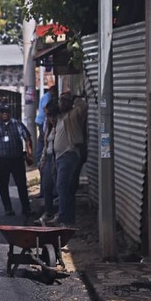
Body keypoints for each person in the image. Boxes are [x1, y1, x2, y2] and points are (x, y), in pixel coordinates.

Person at [0, 104, 34, 217]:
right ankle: (8, 208)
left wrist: (30, 154)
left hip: (17, 159)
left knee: (21, 184)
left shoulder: (18, 124)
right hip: (1, 161)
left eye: (6, 111)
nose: (4, 113)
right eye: (2, 111)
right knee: (3, 185)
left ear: (10, 112)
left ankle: (26, 208)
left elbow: (27, 138)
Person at [51, 91, 88, 226]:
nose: (62, 103)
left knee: (63, 187)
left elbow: (84, 107)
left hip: (69, 155)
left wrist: (75, 98)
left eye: (65, 101)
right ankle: (68, 219)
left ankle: (63, 216)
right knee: (67, 189)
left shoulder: (73, 115)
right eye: (60, 101)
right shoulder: (60, 117)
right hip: (59, 157)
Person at [36, 99, 60, 225]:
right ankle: (48, 212)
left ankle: (60, 214)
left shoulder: (62, 126)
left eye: (52, 115)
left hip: (59, 158)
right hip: (49, 158)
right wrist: (42, 161)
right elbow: (45, 146)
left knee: (60, 187)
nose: (51, 118)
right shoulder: (48, 128)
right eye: (48, 116)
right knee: (47, 186)